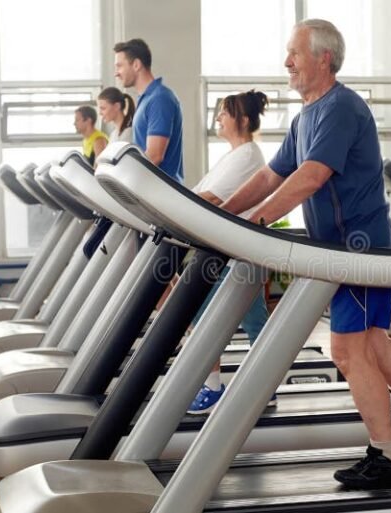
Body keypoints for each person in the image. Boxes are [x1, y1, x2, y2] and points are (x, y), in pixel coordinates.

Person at [220, 19, 391, 490]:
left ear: (324, 58)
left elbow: (311, 177)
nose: (286, 62)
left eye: (294, 53)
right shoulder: (306, 117)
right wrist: (221, 210)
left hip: (358, 249)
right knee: (372, 344)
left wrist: (256, 221)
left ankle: (387, 456)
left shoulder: (340, 108)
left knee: (347, 348)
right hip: (341, 252)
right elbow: (271, 177)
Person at [186, 90, 272, 414]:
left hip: (236, 249)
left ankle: (213, 387)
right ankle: (267, 384)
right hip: (229, 247)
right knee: (252, 318)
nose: (219, 117)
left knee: (203, 313)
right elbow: (202, 194)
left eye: (225, 112)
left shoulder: (248, 155)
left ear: (244, 120)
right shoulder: (235, 155)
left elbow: (212, 199)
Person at [113, 38, 183, 183]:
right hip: (149, 189)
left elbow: (155, 155)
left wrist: (124, 180)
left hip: (161, 193)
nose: (116, 73)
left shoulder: (159, 99)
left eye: (119, 66)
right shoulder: (146, 98)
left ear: (136, 65)